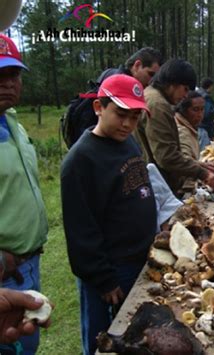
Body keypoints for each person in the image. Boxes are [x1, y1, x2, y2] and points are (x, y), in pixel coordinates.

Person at [61, 74, 157, 355]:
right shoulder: (81, 160)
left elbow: (140, 187)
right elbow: (81, 229)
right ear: (98, 108)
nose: (128, 123)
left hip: (140, 258)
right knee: (103, 340)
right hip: (111, 269)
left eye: (135, 116)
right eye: (120, 114)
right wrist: (103, 278)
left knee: (133, 337)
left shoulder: (128, 142)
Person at [0, 34, 48, 355]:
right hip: (5, 270)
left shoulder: (15, 124)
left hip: (30, 262)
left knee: (26, 343)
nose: (8, 84)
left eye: (13, 75)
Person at [134, 59, 214, 197]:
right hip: (156, 186)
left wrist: (197, 165)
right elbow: (166, 156)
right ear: (172, 83)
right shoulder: (157, 105)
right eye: (185, 89)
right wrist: (202, 173)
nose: (185, 96)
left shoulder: (152, 96)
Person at [97, 47, 163, 88]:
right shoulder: (122, 85)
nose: (152, 81)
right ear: (137, 66)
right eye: (150, 74)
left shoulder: (110, 73)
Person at [175, 91, 205, 161]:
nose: (200, 114)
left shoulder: (190, 127)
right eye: (195, 110)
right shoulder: (182, 131)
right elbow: (185, 160)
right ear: (184, 110)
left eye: (202, 109)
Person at [197, 78, 214, 150]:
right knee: (206, 150)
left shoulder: (197, 93)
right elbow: (207, 113)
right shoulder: (206, 97)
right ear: (210, 86)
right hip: (205, 127)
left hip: (198, 126)